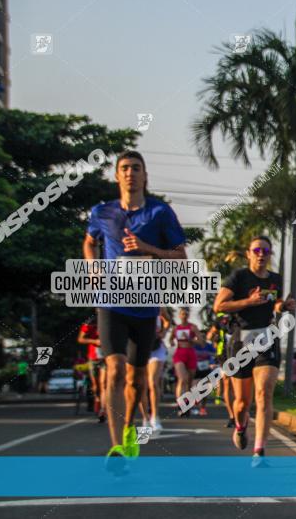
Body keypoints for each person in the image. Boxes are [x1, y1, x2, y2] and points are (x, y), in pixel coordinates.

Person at [83, 150, 188, 460]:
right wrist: (92, 266)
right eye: (125, 168)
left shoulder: (160, 213)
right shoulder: (101, 212)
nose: (130, 173)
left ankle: (130, 425)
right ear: (117, 176)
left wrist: (147, 249)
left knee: (136, 377)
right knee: (114, 370)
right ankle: (116, 445)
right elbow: (90, 241)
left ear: (145, 176)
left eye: (136, 168)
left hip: (145, 305)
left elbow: (181, 255)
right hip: (110, 301)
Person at [213, 236, 296, 463]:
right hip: (242, 340)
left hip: (267, 337)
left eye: (266, 251)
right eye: (257, 250)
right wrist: (248, 302)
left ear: (270, 255)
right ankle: (240, 426)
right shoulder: (238, 277)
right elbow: (219, 306)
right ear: (248, 253)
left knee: (264, 393)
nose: (261, 254)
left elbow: (274, 303)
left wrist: (283, 306)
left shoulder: (276, 279)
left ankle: (259, 450)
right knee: (242, 403)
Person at [139, 309, 169, 433]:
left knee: (152, 382)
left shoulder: (157, 304)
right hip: (139, 347)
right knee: (141, 385)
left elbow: (167, 321)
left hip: (156, 348)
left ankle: (155, 417)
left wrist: (163, 332)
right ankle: (145, 418)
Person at [170, 307, 201, 417]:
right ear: (179, 315)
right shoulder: (175, 328)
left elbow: (201, 341)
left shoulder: (193, 327)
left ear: (188, 315)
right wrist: (172, 343)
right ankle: (180, 405)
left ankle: (187, 405)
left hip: (190, 354)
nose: (184, 316)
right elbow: (170, 339)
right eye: (182, 314)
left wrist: (191, 340)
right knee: (182, 379)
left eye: (186, 314)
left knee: (189, 382)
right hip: (179, 354)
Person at [207, 312, 236, 428]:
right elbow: (209, 337)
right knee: (227, 384)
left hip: (241, 353)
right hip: (224, 356)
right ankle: (232, 416)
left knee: (238, 386)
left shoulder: (239, 315)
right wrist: (215, 335)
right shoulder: (219, 319)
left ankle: (240, 412)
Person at [77, 316, 107, 422]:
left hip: (106, 357)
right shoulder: (90, 322)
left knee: (103, 383)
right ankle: (97, 401)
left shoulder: (111, 319)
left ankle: (103, 409)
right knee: (96, 385)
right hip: (93, 358)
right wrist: (95, 341)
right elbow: (80, 339)